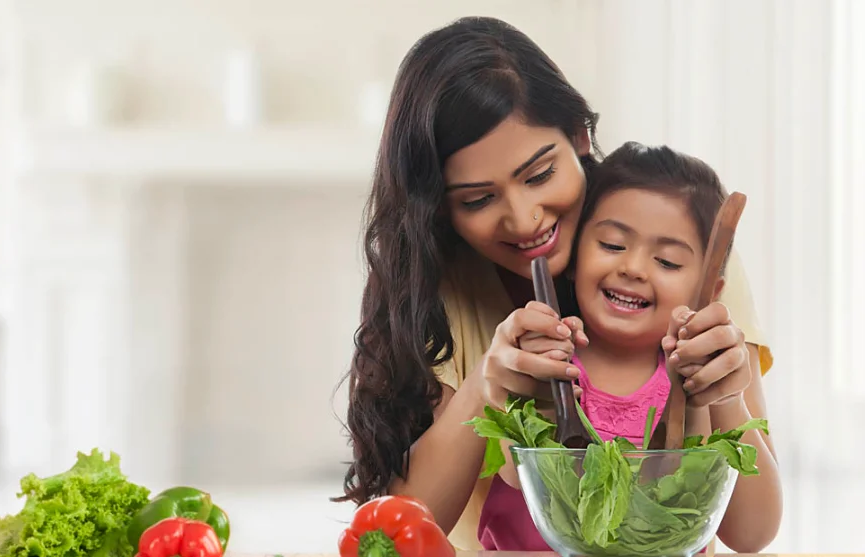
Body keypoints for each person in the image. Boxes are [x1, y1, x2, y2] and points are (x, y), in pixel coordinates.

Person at [334, 15, 780, 553]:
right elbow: (395, 531)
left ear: (579, 136)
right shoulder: (446, 287)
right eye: (477, 200)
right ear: (438, 210)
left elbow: (752, 530)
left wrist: (726, 397)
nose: (523, 221)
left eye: (539, 175)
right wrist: (487, 387)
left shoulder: (688, 257)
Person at [476, 141, 783, 551]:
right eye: (612, 245)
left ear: (710, 293)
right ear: (572, 260)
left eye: (668, 262)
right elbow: (520, 475)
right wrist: (544, 398)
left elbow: (752, 536)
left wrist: (724, 400)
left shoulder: (701, 390)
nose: (633, 268)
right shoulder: (547, 363)